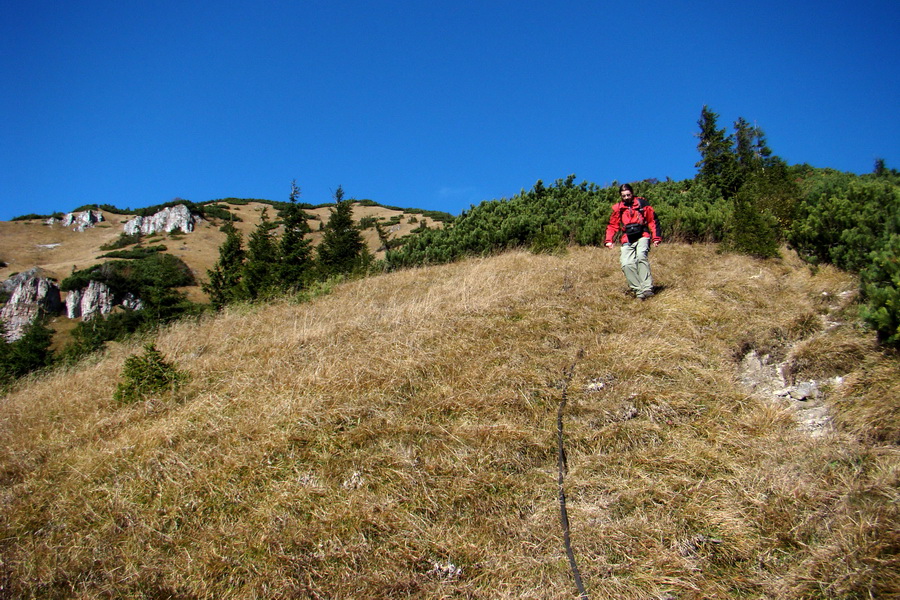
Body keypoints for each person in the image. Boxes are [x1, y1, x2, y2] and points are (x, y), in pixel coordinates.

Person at [604, 183, 661, 299]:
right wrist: (608, 240)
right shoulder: (618, 208)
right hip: (627, 238)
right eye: (623, 196)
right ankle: (638, 291)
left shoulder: (642, 204)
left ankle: (647, 288)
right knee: (626, 264)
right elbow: (612, 225)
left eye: (628, 195)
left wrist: (656, 238)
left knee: (641, 257)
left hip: (642, 235)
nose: (626, 198)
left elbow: (652, 221)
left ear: (632, 193)